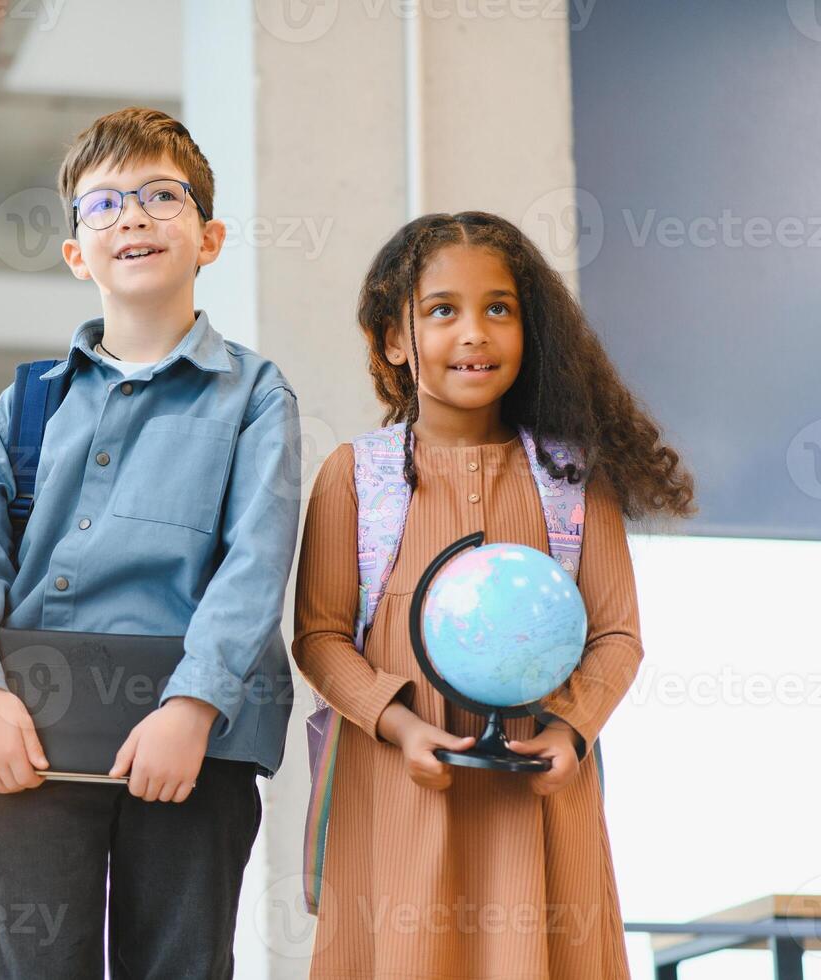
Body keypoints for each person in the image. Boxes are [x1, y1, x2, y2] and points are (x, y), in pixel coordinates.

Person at [0, 107, 302, 978]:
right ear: (74, 252)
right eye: (103, 205)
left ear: (207, 238)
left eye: (160, 196)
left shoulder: (254, 396)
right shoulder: (23, 406)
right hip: (26, 740)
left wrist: (191, 705)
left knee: (179, 963)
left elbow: (256, 560)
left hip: (191, 748)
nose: (131, 216)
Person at [294, 211, 696, 979]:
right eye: (442, 310)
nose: (473, 332)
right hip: (399, 787)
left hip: (538, 796)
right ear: (393, 339)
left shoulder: (574, 479)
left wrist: (571, 730)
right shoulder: (355, 475)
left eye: (498, 309)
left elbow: (617, 634)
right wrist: (396, 724)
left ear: (527, 330)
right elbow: (317, 636)